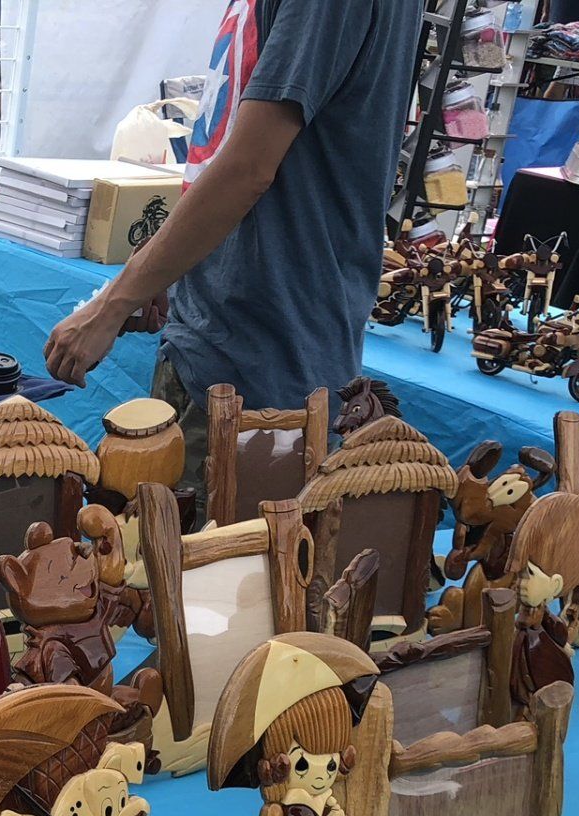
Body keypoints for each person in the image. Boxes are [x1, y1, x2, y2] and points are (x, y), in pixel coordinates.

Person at [43, 0, 419, 500]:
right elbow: (236, 148)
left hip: (255, 367)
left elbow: (248, 168)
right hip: (235, 340)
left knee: (189, 565)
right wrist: (164, 271)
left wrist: (115, 301)